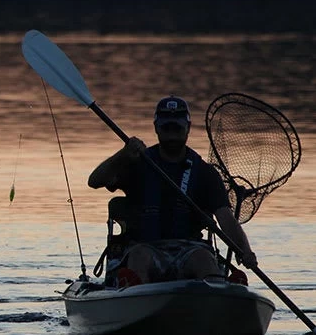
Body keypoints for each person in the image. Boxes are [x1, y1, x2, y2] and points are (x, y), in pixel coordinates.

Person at [87, 94, 258, 286]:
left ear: (188, 128)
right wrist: (123, 154)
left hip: (189, 249)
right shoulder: (137, 163)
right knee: (140, 256)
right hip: (146, 246)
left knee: (203, 258)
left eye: (177, 127)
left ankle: (218, 287)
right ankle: (132, 289)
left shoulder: (205, 172)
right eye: (166, 127)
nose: (172, 133)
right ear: (156, 128)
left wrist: (245, 250)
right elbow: (94, 181)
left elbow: (225, 217)